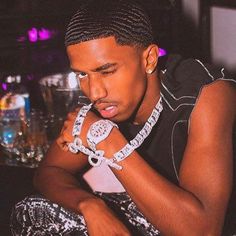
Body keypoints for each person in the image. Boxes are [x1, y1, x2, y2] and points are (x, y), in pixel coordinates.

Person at [11, 0, 236, 235]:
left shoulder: (207, 93)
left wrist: (107, 140)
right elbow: (49, 171)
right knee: (32, 209)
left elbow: (202, 231)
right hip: (154, 220)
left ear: (149, 59)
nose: (95, 92)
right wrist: (89, 206)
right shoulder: (105, 103)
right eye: (82, 75)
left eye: (106, 71)